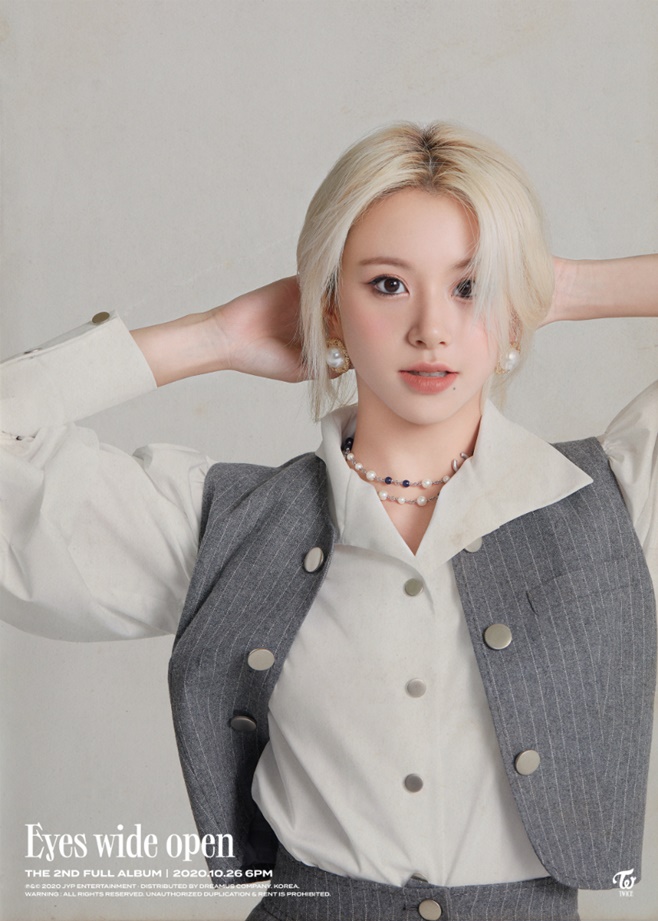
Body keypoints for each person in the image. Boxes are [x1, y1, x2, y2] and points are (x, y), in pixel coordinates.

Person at [1, 122, 656, 921]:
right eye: (387, 284)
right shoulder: (226, 527)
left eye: (470, 286)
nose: (431, 328)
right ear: (331, 310)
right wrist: (213, 336)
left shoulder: (617, 500)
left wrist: (558, 288)